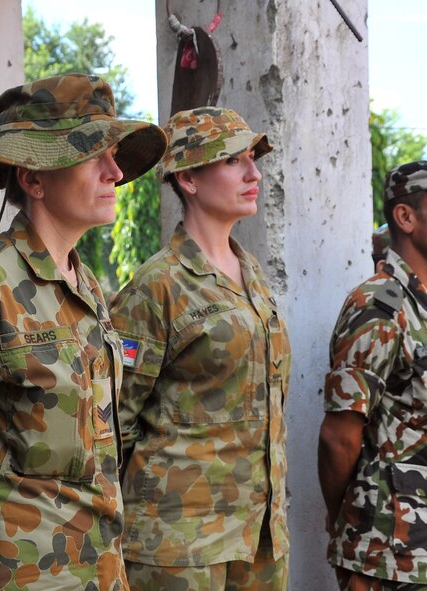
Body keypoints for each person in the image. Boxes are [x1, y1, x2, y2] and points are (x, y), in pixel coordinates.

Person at [0, 73, 166, 591]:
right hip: (25, 575)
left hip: (101, 568)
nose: (115, 171)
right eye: (94, 155)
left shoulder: (85, 282)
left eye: (113, 154)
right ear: (34, 178)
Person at [109, 107, 291, 590]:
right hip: (178, 546)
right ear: (188, 177)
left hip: (258, 538)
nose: (253, 173)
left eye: (253, 158)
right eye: (234, 161)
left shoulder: (251, 275)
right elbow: (112, 424)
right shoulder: (158, 286)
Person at [318, 160, 427, 590]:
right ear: (406, 217)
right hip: (389, 559)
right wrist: (349, 520)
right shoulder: (379, 306)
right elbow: (339, 436)